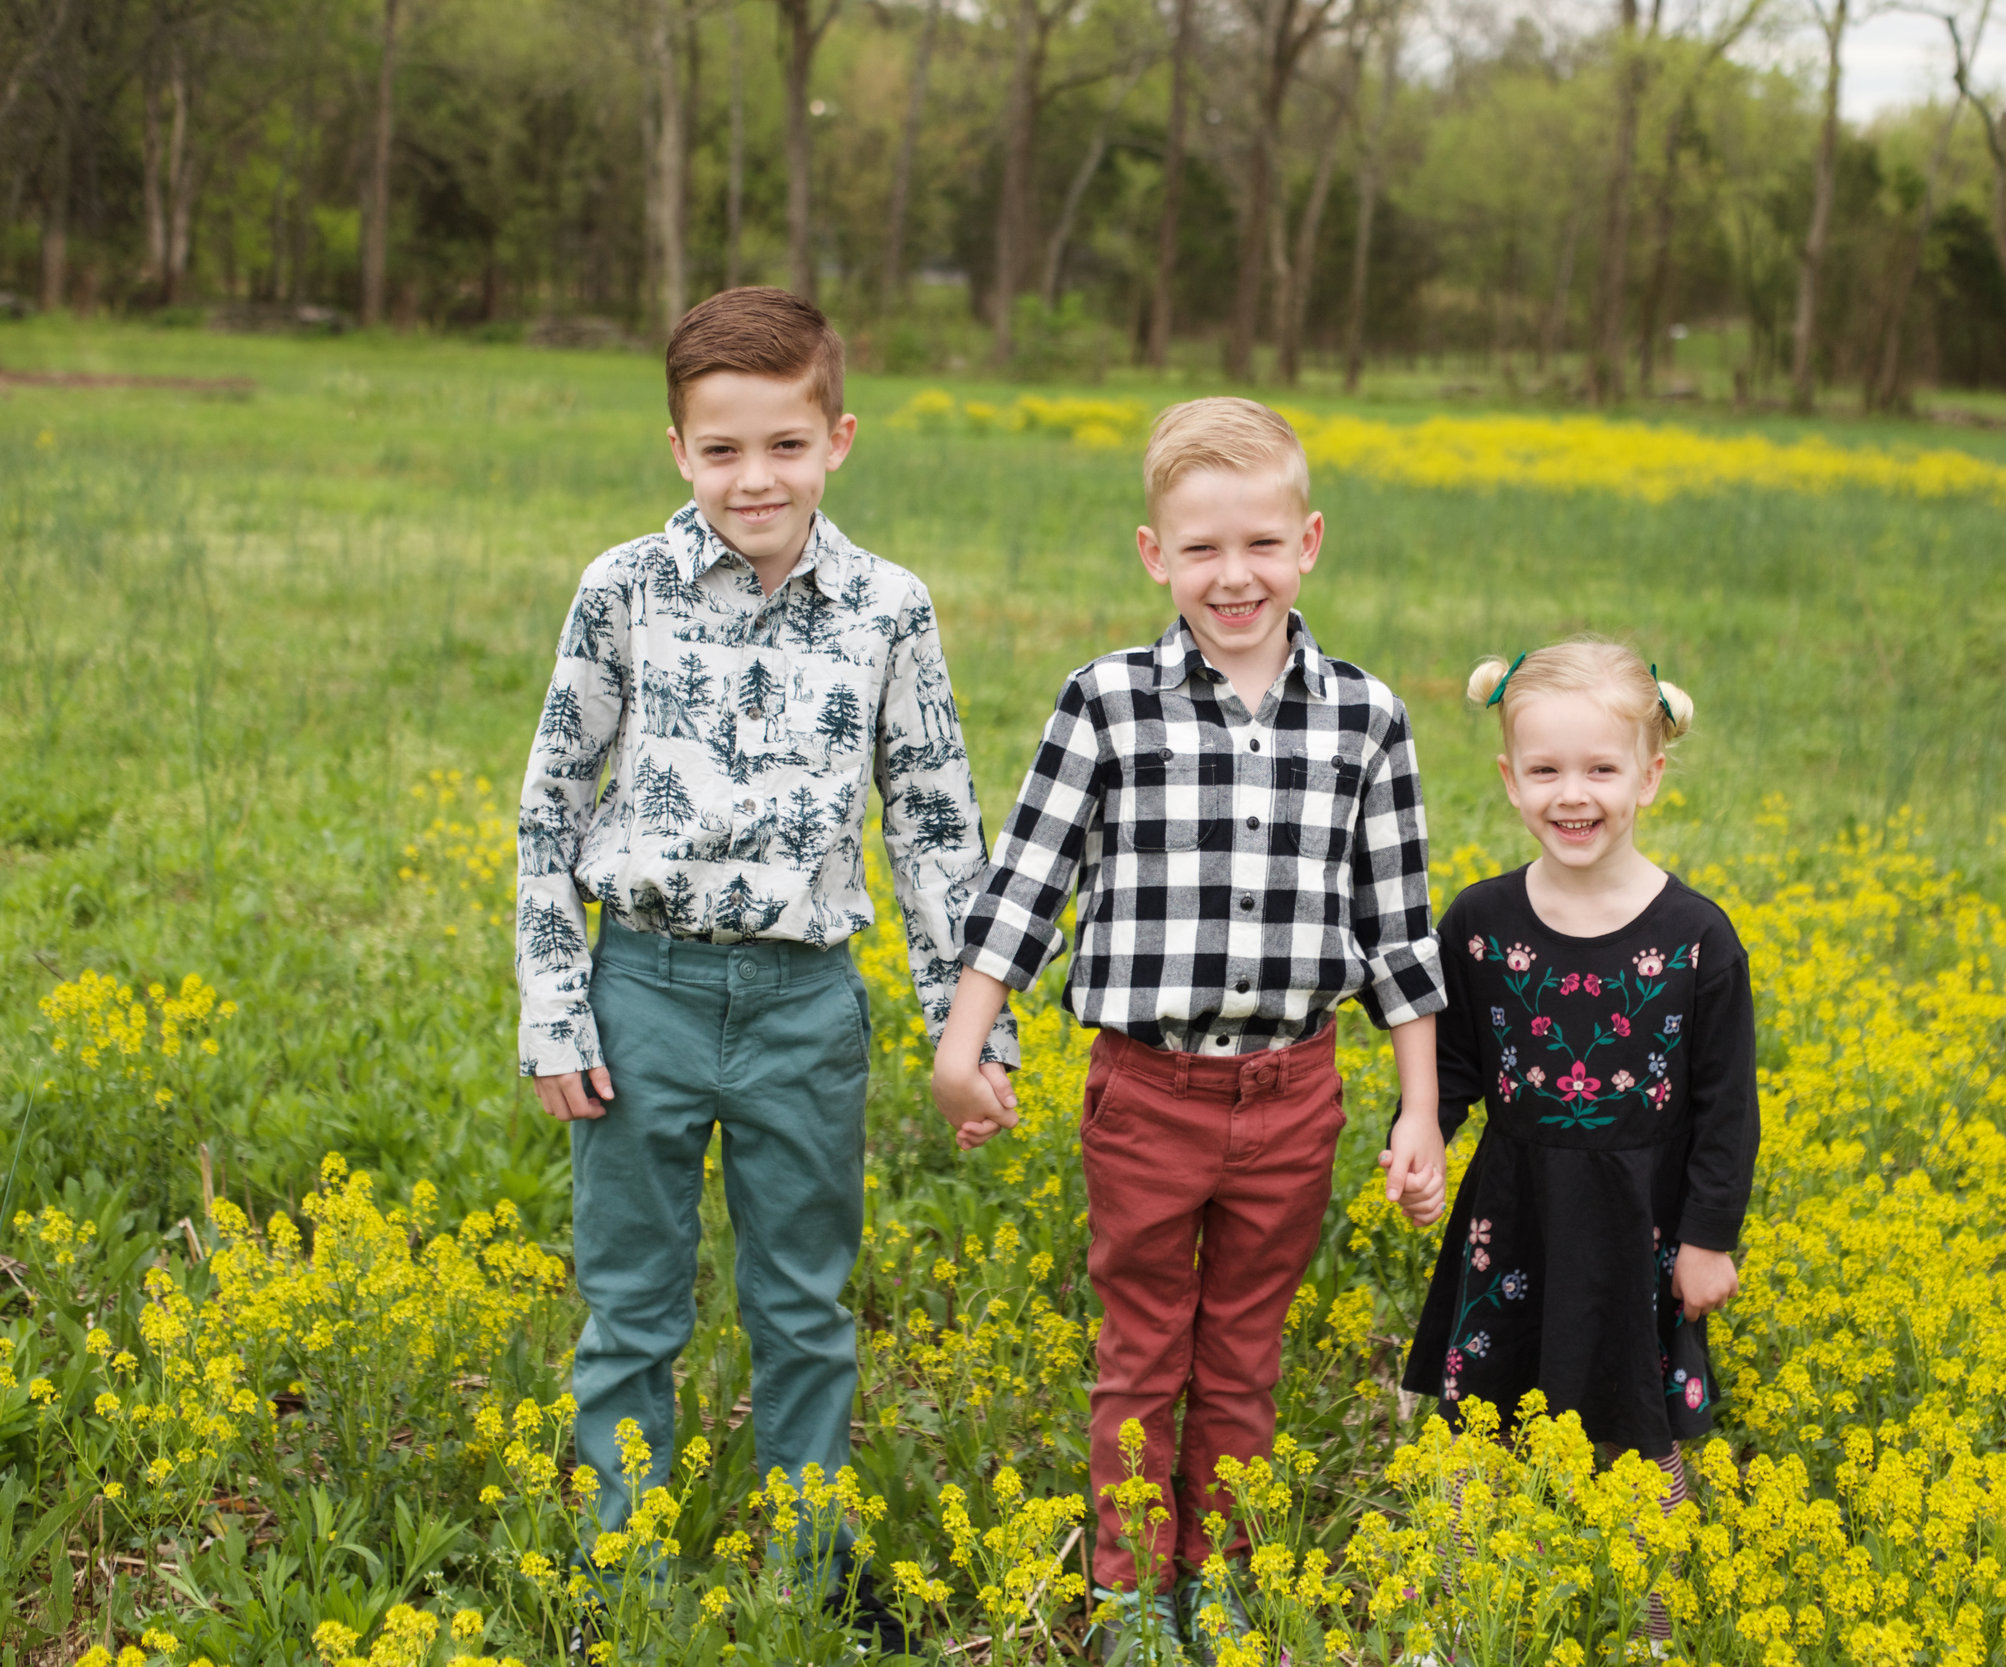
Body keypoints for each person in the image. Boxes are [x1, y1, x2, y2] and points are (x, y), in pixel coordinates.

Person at [513, 286, 1016, 1654]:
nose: (755, 477)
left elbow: (932, 824)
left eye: (785, 444)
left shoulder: (888, 606)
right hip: (644, 991)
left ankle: (812, 1553)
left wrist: (969, 1034)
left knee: (805, 1300)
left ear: (838, 438)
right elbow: (551, 803)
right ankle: (622, 1565)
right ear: (678, 447)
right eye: (723, 447)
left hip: (805, 1005)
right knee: (633, 1298)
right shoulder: (621, 588)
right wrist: (557, 1003)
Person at [932, 396, 1449, 1663]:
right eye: (1203, 548)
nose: (1236, 575)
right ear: (1154, 553)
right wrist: (965, 1038)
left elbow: (1399, 934)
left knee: (1243, 1350)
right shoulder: (1104, 702)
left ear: (1310, 540)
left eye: (1262, 543)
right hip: (1147, 1088)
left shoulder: (1366, 717)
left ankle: (1215, 1576)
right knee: (1143, 1340)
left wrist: (1419, 1107)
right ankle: (1124, 1589)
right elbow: (1028, 882)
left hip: (1293, 1088)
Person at [1401, 642, 1757, 1594]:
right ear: (1510, 780)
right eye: (1547, 769)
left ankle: (1653, 1615)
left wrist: (1708, 1237)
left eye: (1601, 768)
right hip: (1513, 1211)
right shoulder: (1480, 921)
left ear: (1651, 773)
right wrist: (1423, 1129)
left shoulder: (1697, 935)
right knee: (1478, 1423)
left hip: (1637, 1220)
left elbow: (1727, 1107)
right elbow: (1455, 1062)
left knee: (1637, 1426)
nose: (1574, 794)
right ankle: (1460, 1611)